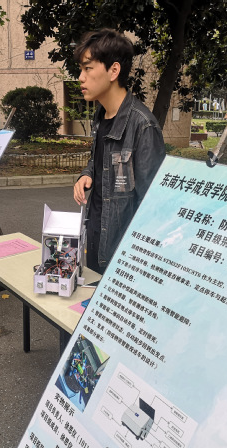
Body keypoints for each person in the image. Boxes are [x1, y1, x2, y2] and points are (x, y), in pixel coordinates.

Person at [72, 29, 166, 274]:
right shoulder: (101, 115)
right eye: (81, 69)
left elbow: (152, 205)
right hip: (96, 236)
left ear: (114, 70)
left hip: (122, 255)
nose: (80, 77)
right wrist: (87, 174)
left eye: (88, 68)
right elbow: (101, 161)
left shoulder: (143, 125)